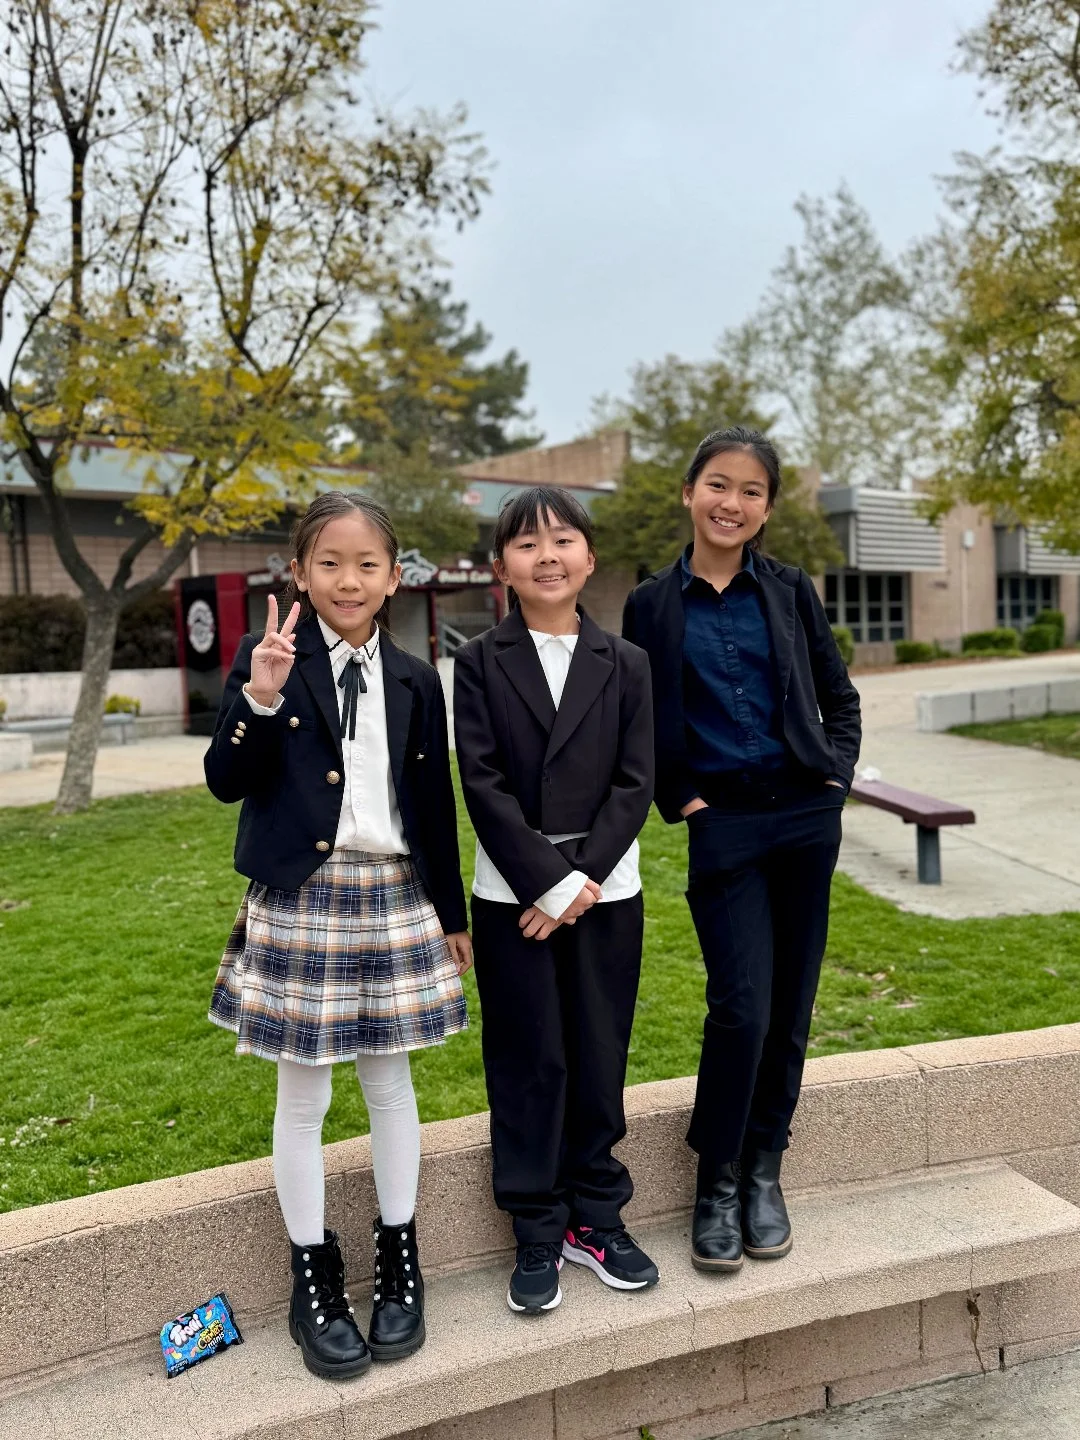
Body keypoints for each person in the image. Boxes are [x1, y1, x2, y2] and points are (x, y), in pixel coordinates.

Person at [205, 491, 471, 1380]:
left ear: (395, 577)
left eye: (367, 565)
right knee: (304, 1098)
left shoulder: (415, 678)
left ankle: (400, 1260)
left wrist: (454, 917)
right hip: (304, 896)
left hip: (395, 893)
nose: (348, 580)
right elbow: (224, 779)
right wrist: (262, 696)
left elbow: (432, 805)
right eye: (330, 563)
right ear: (299, 572)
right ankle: (311, 1276)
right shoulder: (266, 656)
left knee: (391, 1087)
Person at [622, 426, 861, 1273]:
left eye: (752, 491)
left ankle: (766, 1170)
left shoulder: (791, 591)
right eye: (718, 486)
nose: (733, 503)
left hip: (804, 820)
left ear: (766, 508)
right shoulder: (652, 604)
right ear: (690, 493)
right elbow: (639, 719)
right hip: (722, 826)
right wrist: (678, 796)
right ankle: (715, 1180)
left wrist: (835, 780)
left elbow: (838, 693)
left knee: (791, 1006)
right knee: (743, 1008)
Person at [454, 485, 658, 1316]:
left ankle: (598, 1217)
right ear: (501, 565)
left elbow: (636, 781)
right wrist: (545, 882)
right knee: (529, 1057)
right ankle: (537, 1226)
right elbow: (483, 783)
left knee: (602, 1051)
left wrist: (577, 886)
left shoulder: (628, 662)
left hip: (609, 889)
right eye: (527, 543)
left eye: (563, 540)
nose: (548, 556)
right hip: (513, 895)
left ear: (590, 557)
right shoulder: (474, 662)